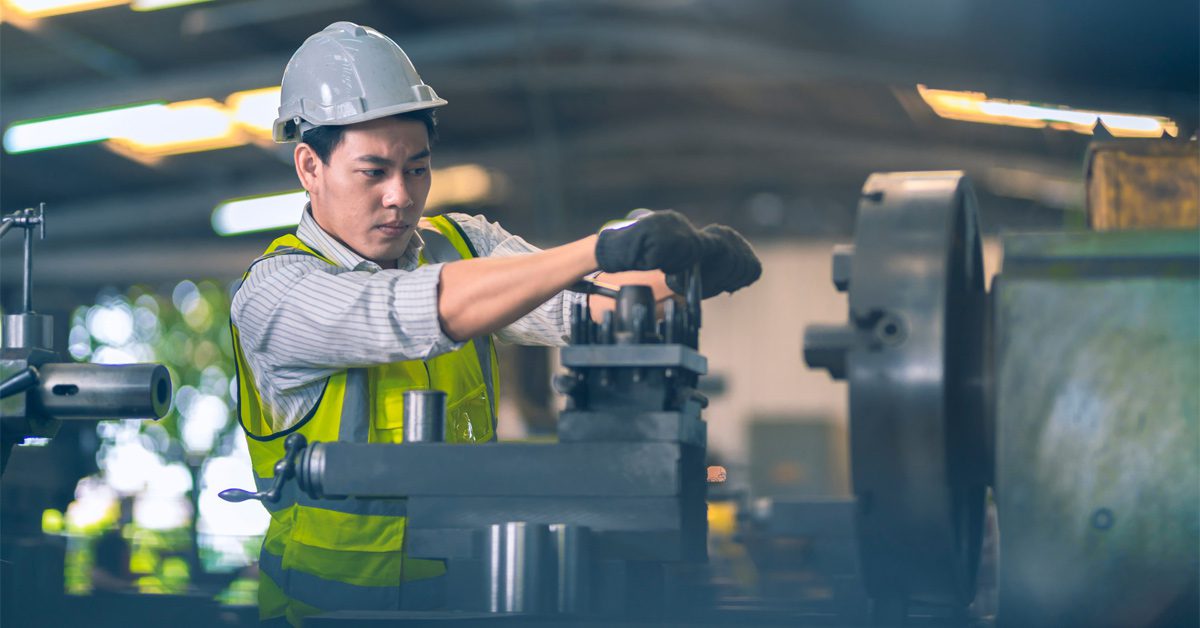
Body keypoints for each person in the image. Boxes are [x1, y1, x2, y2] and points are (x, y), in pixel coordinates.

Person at [230, 21, 761, 627]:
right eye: (373, 172)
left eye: (418, 169)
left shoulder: (465, 245)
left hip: (464, 604)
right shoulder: (274, 294)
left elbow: (585, 306)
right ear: (309, 166)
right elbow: (407, 310)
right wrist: (600, 247)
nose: (402, 196)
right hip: (319, 616)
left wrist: (686, 269)